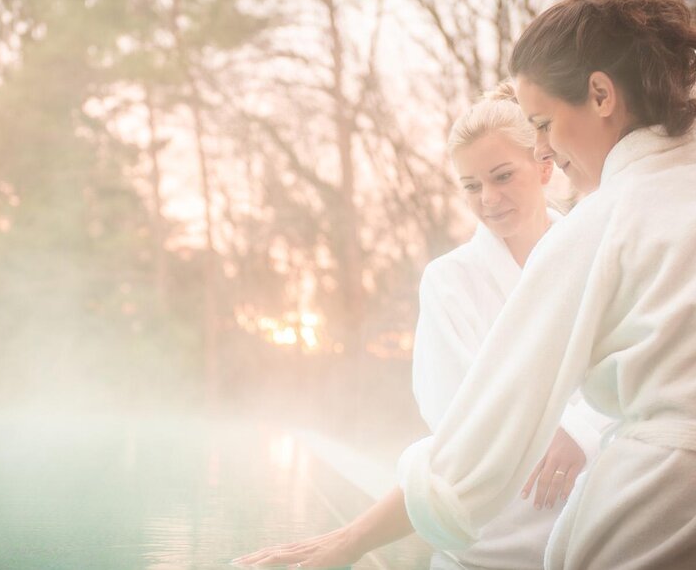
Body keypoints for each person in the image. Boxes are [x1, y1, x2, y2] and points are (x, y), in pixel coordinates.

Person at [397, 0, 696, 569]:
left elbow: (470, 457)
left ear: (601, 94)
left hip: (657, 528)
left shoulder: (600, 222)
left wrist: (346, 545)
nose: (545, 150)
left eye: (544, 124)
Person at [234, 84, 607, 569]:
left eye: (502, 176)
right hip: (487, 541)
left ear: (542, 166)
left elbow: (637, 380)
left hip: (590, 530)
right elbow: (465, 426)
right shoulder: (449, 282)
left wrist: (580, 430)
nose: (488, 199)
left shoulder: (595, 255)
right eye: (471, 186)